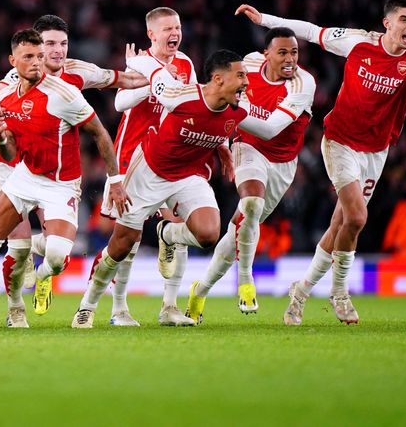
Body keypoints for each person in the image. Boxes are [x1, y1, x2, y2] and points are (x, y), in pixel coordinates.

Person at [236, 0, 406, 325]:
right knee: (357, 218)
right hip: (340, 142)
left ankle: (301, 291)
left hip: (376, 150)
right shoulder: (358, 42)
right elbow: (311, 31)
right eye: (405, 19)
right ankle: (340, 292)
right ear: (387, 23)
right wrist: (264, 20)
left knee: (342, 224)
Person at [72, 50, 290, 328]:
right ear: (218, 79)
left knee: (209, 233)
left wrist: (224, 145)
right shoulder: (180, 95)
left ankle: (168, 233)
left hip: (189, 175)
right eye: (241, 75)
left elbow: (268, 130)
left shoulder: (239, 109)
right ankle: (87, 306)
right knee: (121, 244)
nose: (246, 82)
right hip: (150, 172)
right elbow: (150, 71)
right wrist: (133, 60)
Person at [0, 29, 131, 329]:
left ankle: (41, 274)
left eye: (40, 56)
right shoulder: (7, 97)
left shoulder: (63, 94)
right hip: (24, 177)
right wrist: (1, 137)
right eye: (29, 57)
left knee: (55, 258)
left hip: (61, 184)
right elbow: (10, 151)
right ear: (13, 61)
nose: (37, 62)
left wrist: (115, 181)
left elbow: (100, 133)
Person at [186, 28, 316, 323]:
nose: (289, 59)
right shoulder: (249, 66)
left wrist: (238, 105)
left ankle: (200, 290)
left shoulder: (303, 83)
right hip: (248, 147)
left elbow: (270, 129)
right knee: (251, 205)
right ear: (266, 54)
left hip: (282, 163)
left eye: (294, 52)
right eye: (282, 52)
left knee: (238, 231)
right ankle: (245, 279)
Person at [95, 6, 202, 326]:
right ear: (151, 34)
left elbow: (192, 103)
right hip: (131, 156)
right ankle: (119, 310)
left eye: (178, 27)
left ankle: (170, 307)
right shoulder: (139, 65)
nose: (175, 34)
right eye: (167, 29)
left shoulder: (185, 64)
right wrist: (152, 80)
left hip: (170, 158)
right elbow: (119, 104)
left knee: (180, 221)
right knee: (129, 237)